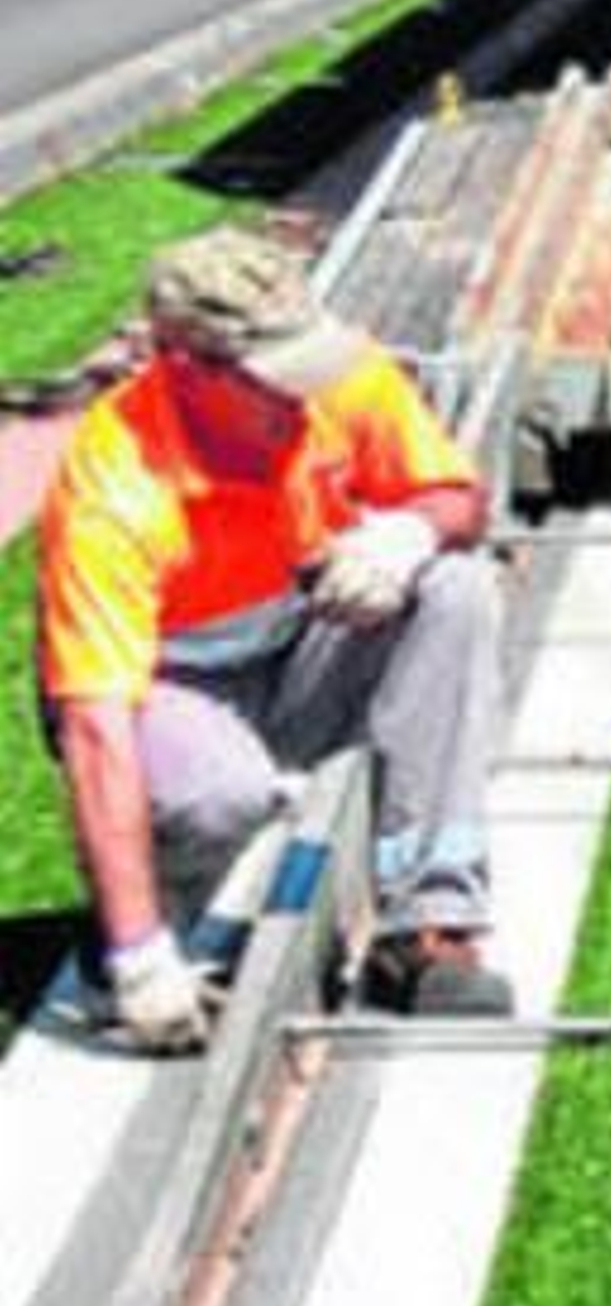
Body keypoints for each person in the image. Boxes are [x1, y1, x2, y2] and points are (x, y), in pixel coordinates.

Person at [36, 223, 513, 1051]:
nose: (301, 399)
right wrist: (141, 955)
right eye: (273, 384)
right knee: (220, 795)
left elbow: (461, 501)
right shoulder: (114, 489)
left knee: (455, 588)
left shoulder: (335, 375)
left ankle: (429, 922)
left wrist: (407, 533)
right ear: (185, 368)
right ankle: (148, 924)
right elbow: (95, 725)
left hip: (300, 639)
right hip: (169, 687)